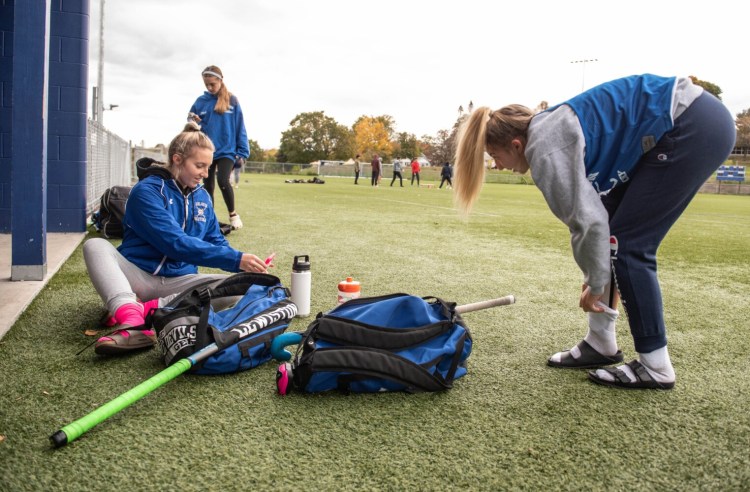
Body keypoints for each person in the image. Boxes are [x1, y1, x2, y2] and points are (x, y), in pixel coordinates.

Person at [454, 74, 735, 390]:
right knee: (615, 233)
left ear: (517, 144)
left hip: (691, 124)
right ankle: (601, 343)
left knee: (627, 244)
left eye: (496, 157)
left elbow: (589, 224)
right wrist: (595, 276)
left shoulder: (544, 150)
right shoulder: (548, 130)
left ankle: (655, 366)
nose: (498, 166)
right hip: (694, 119)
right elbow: (598, 219)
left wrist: (596, 284)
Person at [83, 122, 271, 356]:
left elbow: (216, 241)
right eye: (199, 165)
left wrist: (246, 267)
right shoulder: (147, 191)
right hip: (136, 274)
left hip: (179, 283)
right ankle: (131, 318)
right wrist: (236, 259)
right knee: (94, 246)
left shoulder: (202, 196)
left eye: (208, 166)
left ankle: (146, 309)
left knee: (240, 287)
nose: (205, 173)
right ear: (177, 159)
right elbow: (174, 243)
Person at [188, 65, 249, 229]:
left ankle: (233, 214)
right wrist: (193, 121)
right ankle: (210, 219)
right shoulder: (200, 102)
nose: (209, 87)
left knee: (223, 180)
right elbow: (190, 121)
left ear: (221, 81)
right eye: (206, 84)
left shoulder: (232, 100)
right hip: (207, 151)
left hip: (227, 150)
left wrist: (242, 152)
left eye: (212, 84)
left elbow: (239, 126)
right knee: (208, 185)